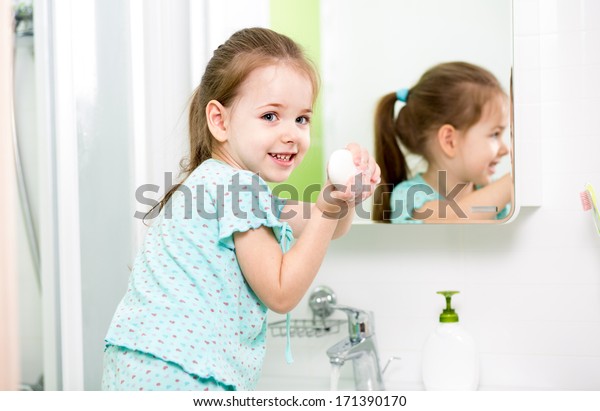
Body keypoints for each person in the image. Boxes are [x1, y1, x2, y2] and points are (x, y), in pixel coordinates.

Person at [102, 27, 380, 391]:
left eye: (302, 119)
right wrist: (330, 204)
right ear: (219, 120)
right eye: (270, 116)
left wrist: (344, 194)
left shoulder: (218, 182)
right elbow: (281, 292)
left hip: (139, 368)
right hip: (181, 374)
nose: (292, 133)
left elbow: (326, 223)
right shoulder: (238, 188)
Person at [372, 61, 513, 223]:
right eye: (495, 134)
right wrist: (513, 182)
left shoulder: (494, 193)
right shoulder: (409, 196)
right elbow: (454, 219)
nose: (505, 149)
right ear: (449, 141)